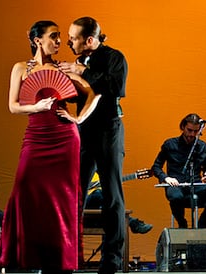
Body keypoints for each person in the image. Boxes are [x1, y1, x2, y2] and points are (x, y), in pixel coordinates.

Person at [0, 20, 94, 274]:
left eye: (60, 37)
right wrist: (36, 107)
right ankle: (15, 256)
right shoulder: (21, 68)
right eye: (54, 36)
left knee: (62, 199)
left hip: (65, 137)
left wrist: (78, 119)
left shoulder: (63, 68)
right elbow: (13, 106)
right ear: (37, 40)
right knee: (24, 192)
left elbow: (92, 93)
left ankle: (59, 260)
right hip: (36, 136)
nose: (60, 41)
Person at [58, 16, 128, 274]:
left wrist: (83, 72)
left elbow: (115, 87)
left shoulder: (114, 57)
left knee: (112, 197)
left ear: (89, 40)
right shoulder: (78, 62)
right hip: (83, 130)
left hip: (109, 130)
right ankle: (68, 258)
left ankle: (111, 263)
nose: (68, 42)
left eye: (73, 38)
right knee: (74, 195)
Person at [151, 113, 206, 228]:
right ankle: (182, 224)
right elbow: (156, 167)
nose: (192, 134)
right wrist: (166, 178)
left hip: (196, 185)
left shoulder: (203, 147)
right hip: (176, 185)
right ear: (183, 127)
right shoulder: (170, 144)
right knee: (176, 197)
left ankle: (203, 226)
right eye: (189, 130)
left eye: (195, 132)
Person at [86, 173, 153, 234]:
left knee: (109, 198)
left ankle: (133, 223)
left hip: (101, 217)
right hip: (82, 213)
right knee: (98, 193)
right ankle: (133, 223)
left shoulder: (99, 174)